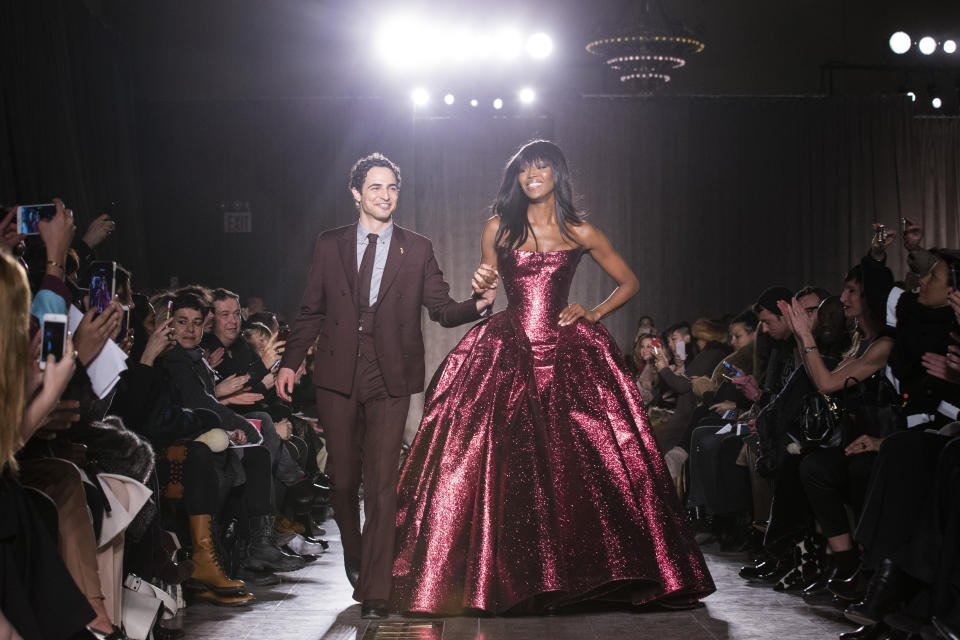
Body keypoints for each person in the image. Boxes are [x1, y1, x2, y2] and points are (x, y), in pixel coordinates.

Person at [390, 140, 714, 615]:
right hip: (509, 351)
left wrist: (594, 312)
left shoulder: (579, 230)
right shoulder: (498, 228)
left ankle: (592, 577)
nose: (531, 176)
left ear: (557, 175)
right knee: (506, 466)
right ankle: (507, 578)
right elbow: (486, 284)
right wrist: (481, 284)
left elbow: (629, 281)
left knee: (580, 465)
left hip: (569, 355)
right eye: (523, 170)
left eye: (540, 168)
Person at [275, 152, 495, 619]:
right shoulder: (329, 243)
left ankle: (375, 588)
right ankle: (357, 557)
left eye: (392, 187)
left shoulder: (416, 248)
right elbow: (311, 308)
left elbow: (440, 308)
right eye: (375, 187)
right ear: (356, 193)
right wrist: (291, 362)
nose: (385, 195)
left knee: (381, 485)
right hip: (337, 375)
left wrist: (478, 303)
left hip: (391, 376)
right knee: (342, 481)